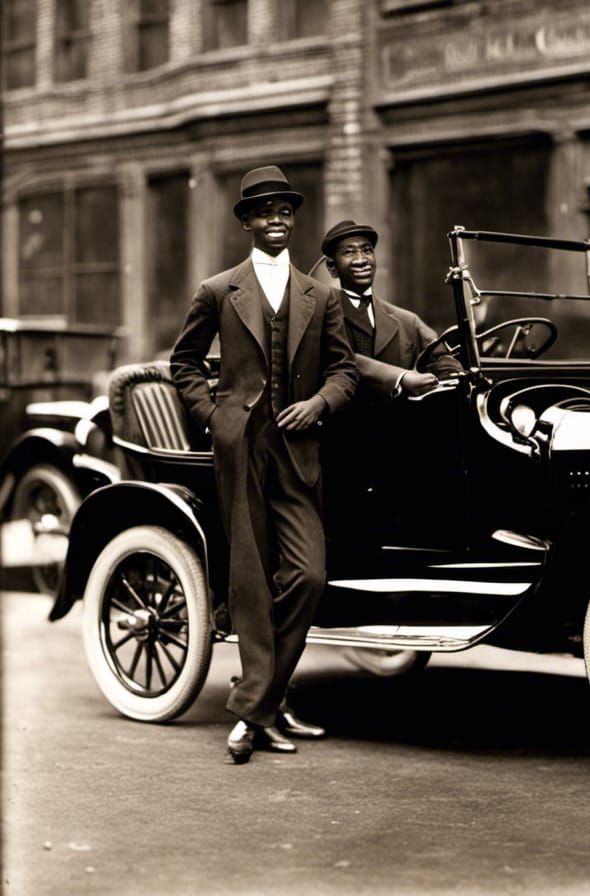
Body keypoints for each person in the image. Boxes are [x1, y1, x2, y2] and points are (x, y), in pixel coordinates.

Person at [170, 166, 359, 764]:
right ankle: (266, 709)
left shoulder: (320, 293)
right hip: (241, 446)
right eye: (265, 210)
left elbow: (345, 371)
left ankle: (255, 707)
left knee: (308, 575)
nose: (277, 218)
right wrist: (215, 417)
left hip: (298, 451)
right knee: (250, 582)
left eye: (285, 210)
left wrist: (317, 404)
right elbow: (184, 363)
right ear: (247, 222)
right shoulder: (218, 289)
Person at [319, 219, 462, 395]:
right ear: (332, 267)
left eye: (367, 250)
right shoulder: (321, 313)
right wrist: (402, 377)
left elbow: (440, 358)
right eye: (349, 252)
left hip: (398, 420)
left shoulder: (407, 320)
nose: (361, 260)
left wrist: (451, 374)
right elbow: (342, 359)